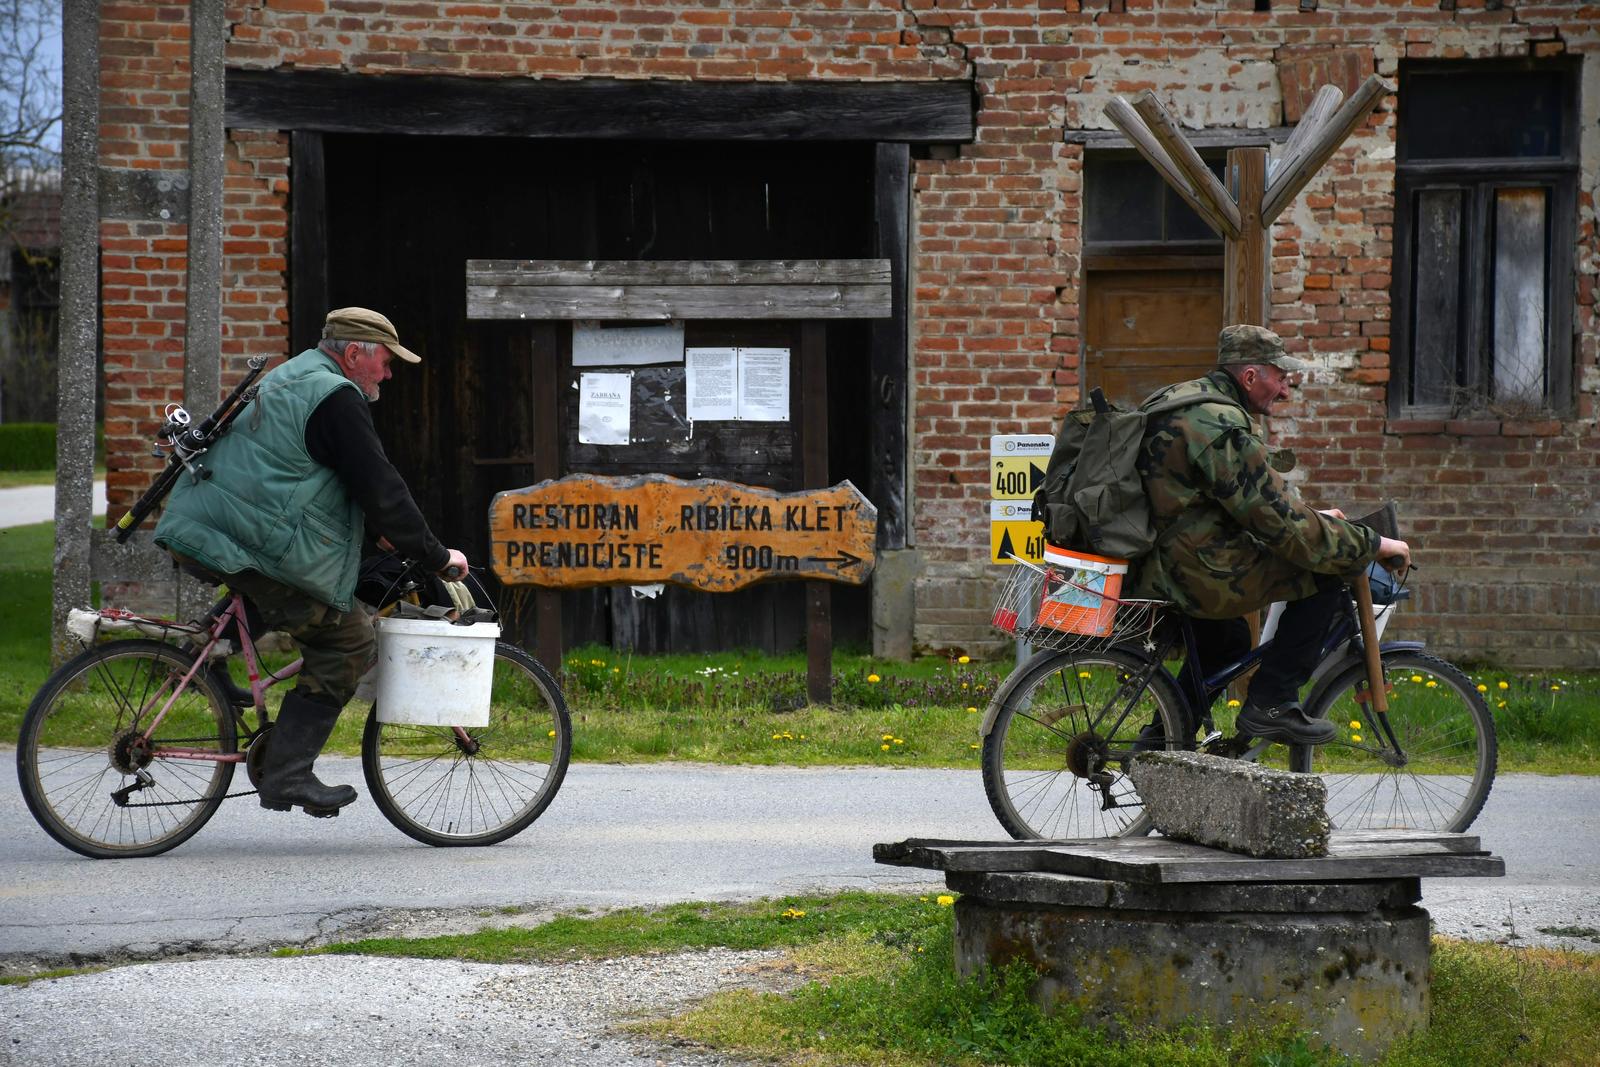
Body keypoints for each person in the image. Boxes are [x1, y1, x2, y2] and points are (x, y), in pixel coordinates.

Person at [154, 307, 468, 816]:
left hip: (207, 524)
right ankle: (287, 774)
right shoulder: (336, 398)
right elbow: (380, 486)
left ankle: (204, 662)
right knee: (347, 639)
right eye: (385, 362)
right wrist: (434, 555)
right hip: (242, 537)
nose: (388, 374)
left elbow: (297, 475)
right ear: (353, 354)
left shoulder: (293, 373)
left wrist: (378, 537)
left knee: (274, 586)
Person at [1125, 324, 1411, 746]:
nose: (1285, 390)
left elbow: (1241, 504)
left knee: (1229, 641)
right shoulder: (1220, 425)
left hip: (1159, 562)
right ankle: (1272, 704)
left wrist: (1314, 517)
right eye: (1280, 377)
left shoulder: (1184, 400)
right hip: (1195, 571)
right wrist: (1372, 543)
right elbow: (1284, 526)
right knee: (1327, 573)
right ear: (1251, 377)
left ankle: (1161, 739)